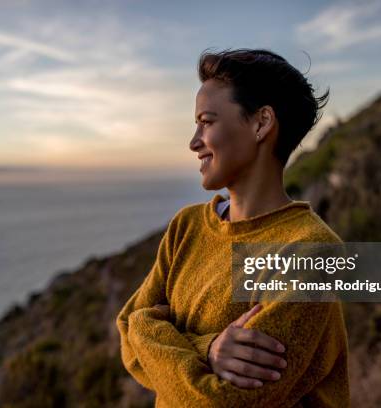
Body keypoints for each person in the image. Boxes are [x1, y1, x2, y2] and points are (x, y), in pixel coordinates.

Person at [116, 48, 350, 407]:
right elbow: (128, 329)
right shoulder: (187, 226)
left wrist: (156, 334)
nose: (194, 141)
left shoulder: (310, 251)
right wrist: (207, 348)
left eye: (206, 122)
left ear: (261, 123)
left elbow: (225, 401)